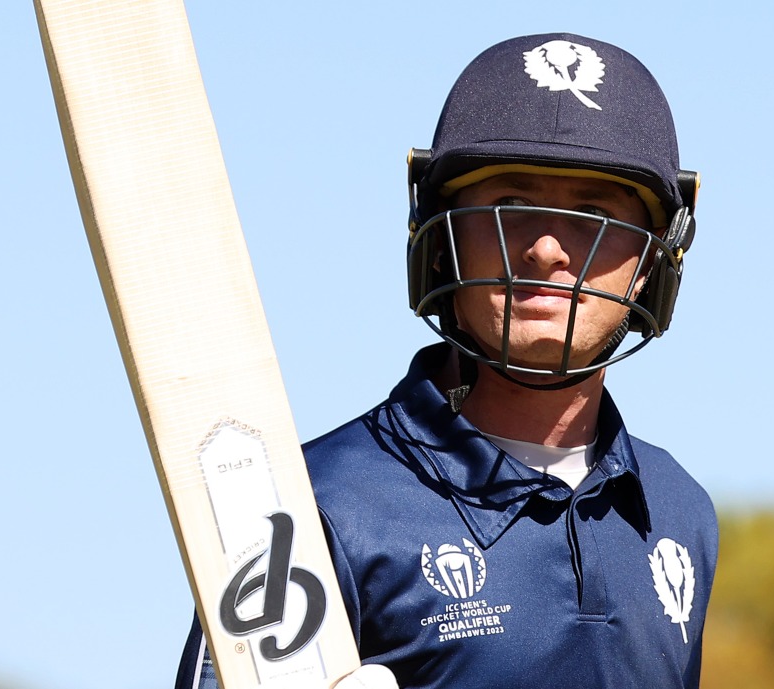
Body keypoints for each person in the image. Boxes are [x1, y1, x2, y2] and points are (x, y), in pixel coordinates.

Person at [176, 32, 718, 689]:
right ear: (441, 239)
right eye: (510, 207)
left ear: (651, 263)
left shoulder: (677, 511)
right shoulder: (312, 509)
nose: (546, 248)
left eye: (592, 211)